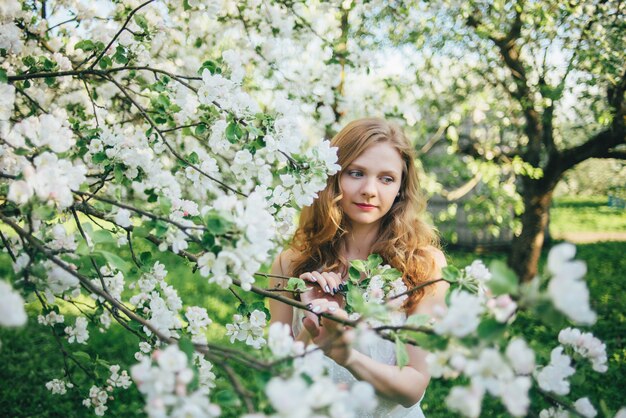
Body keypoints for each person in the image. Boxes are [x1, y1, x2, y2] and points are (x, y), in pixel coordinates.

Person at [269, 118, 449, 417]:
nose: (369, 189)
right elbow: (277, 374)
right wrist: (314, 325)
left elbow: (413, 387)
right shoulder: (290, 263)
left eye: (386, 178)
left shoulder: (424, 265)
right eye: (356, 173)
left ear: (401, 189)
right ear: (333, 177)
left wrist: (345, 355)